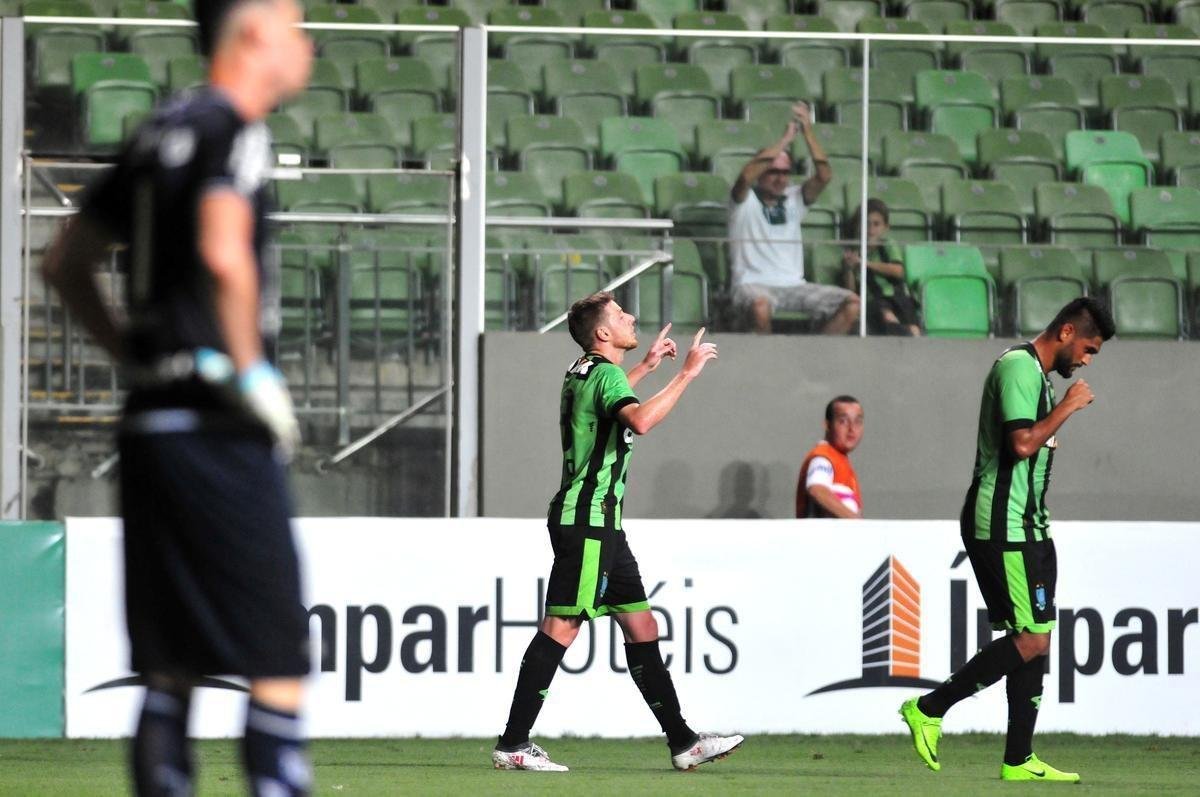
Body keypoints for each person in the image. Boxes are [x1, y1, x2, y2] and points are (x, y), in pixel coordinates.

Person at [41, 2, 314, 795]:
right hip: (216, 422)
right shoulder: (236, 128)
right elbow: (225, 252)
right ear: (255, 31)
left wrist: (130, 351)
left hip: (151, 421)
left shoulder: (160, 128)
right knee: (277, 656)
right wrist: (249, 370)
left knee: (171, 668)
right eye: (296, 25)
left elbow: (65, 260)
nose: (308, 45)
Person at [492, 294, 743, 773]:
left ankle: (684, 741)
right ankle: (513, 742)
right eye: (621, 314)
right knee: (561, 627)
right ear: (603, 333)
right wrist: (685, 374)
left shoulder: (583, 370)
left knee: (641, 625)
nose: (631, 317)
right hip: (587, 520)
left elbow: (608, 404)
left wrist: (647, 367)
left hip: (602, 524)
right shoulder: (603, 374)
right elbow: (641, 421)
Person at [900, 297, 1115, 784]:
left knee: (1037, 639)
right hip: (1003, 525)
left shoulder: (1036, 376)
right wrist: (1067, 407)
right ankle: (930, 708)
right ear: (1065, 332)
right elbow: (1020, 445)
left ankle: (1018, 759)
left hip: (1029, 525)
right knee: (1032, 637)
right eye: (1088, 348)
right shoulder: (1019, 368)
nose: (1086, 360)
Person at [728, 101, 860, 335]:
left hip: (794, 285)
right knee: (760, 307)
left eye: (785, 172)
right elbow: (747, 174)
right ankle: (769, 368)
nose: (780, 179)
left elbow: (824, 175)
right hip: (752, 284)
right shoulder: (743, 200)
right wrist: (784, 141)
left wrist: (807, 130)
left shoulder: (794, 198)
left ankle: (815, 363)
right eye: (773, 172)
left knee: (852, 304)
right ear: (762, 173)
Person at [842, 199, 921, 336]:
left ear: (886, 227)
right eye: (866, 224)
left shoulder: (888, 246)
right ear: (858, 226)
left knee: (908, 311)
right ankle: (900, 329)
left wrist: (865, 263)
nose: (870, 229)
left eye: (876, 224)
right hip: (874, 303)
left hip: (900, 298)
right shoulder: (854, 253)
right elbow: (851, 292)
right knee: (881, 309)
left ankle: (905, 330)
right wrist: (848, 269)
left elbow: (898, 271)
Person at [795, 396, 864, 519]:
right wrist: (858, 524)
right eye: (843, 421)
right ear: (827, 425)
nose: (852, 429)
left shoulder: (840, 460)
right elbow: (817, 490)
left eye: (857, 422)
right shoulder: (823, 457)